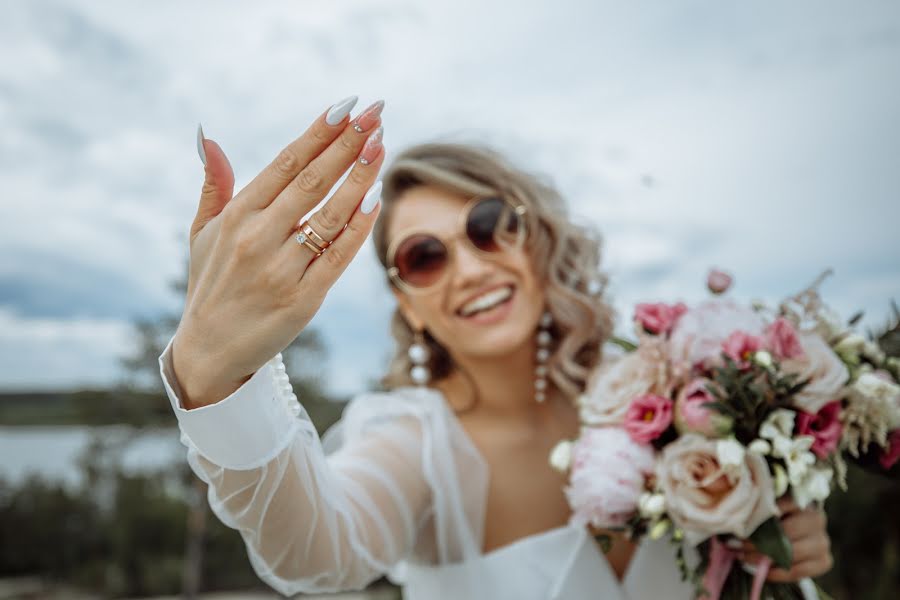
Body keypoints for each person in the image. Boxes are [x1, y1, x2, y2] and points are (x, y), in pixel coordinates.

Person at [159, 95, 833, 599]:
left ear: (534, 238)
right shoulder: (413, 445)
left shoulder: (671, 389)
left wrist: (784, 540)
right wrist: (218, 379)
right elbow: (314, 549)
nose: (471, 268)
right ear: (409, 308)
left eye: (488, 226)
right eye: (425, 257)